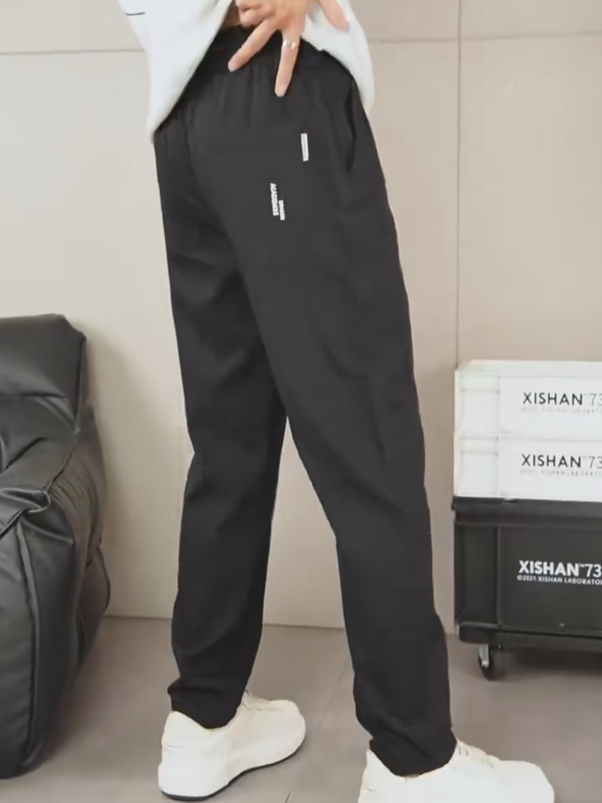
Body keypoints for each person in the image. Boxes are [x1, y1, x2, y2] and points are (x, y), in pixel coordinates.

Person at [116, 1, 554, 801]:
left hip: (186, 120)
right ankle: (413, 757)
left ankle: (204, 719)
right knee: (369, 437)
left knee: (229, 440)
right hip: (280, 87)